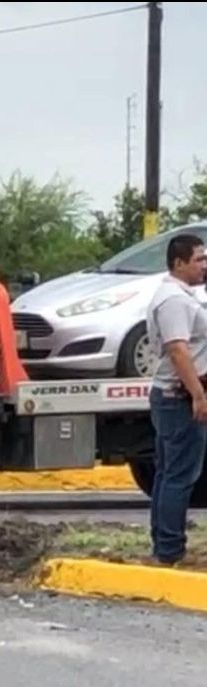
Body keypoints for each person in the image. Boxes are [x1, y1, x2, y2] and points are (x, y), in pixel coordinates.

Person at [145, 233, 207, 566]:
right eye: (198, 259)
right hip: (178, 397)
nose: (204, 265)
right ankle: (169, 549)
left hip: (176, 396)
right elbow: (178, 349)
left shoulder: (185, 297)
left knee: (169, 473)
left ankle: (164, 545)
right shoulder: (174, 300)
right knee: (179, 476)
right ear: (179, 262)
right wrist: (198, 395)